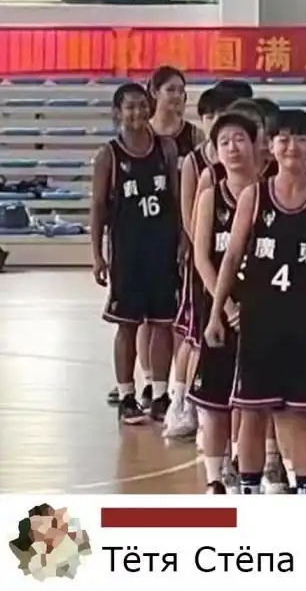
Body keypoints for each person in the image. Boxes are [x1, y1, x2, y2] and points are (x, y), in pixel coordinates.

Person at [205, 109, 306, 495]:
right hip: (260, 321)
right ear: (271, 146)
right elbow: (231, 257)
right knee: (252, 411)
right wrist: (216, 313)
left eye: (301, 139)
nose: (292, 146)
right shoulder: (254, 195)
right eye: (284, 139)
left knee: (303, 414)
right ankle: (249, 490)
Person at [91, 82, 181, 423]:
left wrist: (184, 241)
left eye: (142, 105)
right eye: (130, 106)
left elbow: (176, 198)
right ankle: (127, 395)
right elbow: (98, 208)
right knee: (127, 325)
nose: (138, 112)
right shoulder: (109, 155)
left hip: (163, 248)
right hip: (127, 252)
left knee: (162, 324)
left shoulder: (166, 147)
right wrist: (97, 255)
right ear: (118, 112)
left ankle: (160, 394)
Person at [188, 112, 258, 494]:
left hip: (259, 310)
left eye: (240, 139)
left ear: (255, 144)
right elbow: (202, 258)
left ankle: (249, 468)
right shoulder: (210, 196)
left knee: (252, 401)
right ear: (215, 151)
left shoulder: (267, 194)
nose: (233, 148)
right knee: (214, 401)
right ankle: (214, 479)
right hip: (219, 310)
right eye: (224, 142)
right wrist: (226, 307)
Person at [164, 85, 235, 440]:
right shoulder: (196, 162)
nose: (215, 121)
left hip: (238, 265)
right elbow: (190, 218)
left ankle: (213, 407)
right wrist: (203, 253)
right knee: (194, 334)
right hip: (204, 262)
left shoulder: (247, 162)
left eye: (223, 115)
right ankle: (180, 403)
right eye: (209, 116)